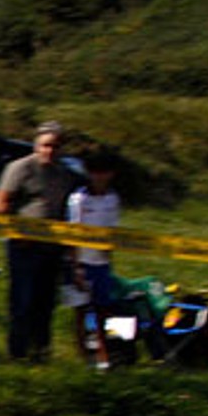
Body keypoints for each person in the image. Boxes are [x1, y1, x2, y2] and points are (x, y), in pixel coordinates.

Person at [0, 121, 79, 361]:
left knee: (46, 302)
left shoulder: (65, 174)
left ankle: (41, 349)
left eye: (55, 146)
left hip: (53, 247)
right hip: (25, 245)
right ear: (36, 145)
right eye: (46, 145)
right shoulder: (20, 168)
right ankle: (17, 351)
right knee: (23, 301)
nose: (50, 151)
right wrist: (16, 232)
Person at [65, 151, 123, 369]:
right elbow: (72, 232)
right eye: (95, 172)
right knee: (80, 310)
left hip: (101, 263)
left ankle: (103, 355)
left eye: (103, 172)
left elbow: (112, 231)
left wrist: (108, 257)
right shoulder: (79, 198)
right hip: (81, 261)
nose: (99, 177)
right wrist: (76, 267)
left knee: (102, 310)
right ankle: (83, 357)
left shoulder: (112, 199)